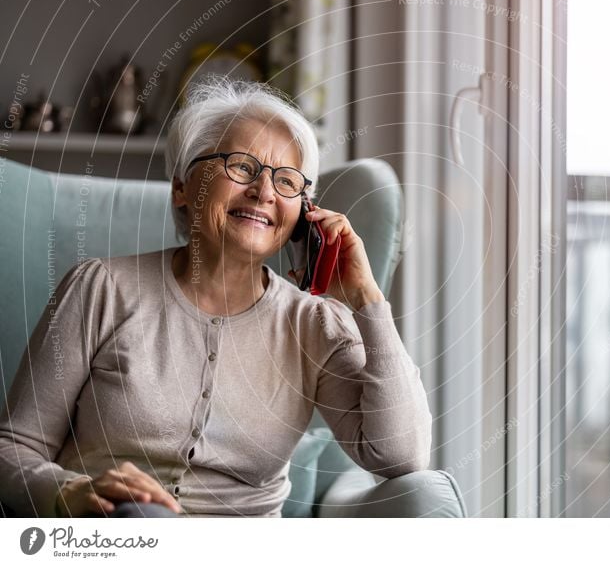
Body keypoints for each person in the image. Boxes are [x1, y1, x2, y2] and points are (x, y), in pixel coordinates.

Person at [0, 76, 432, 518]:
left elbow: (400, 456)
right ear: (182, 188)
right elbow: (14, 447)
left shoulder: (316, 325)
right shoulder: (102, 290)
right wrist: (67, 491)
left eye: (287, 181)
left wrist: (367, 300)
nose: (264, 192)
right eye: (242, 167)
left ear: (304, 214)